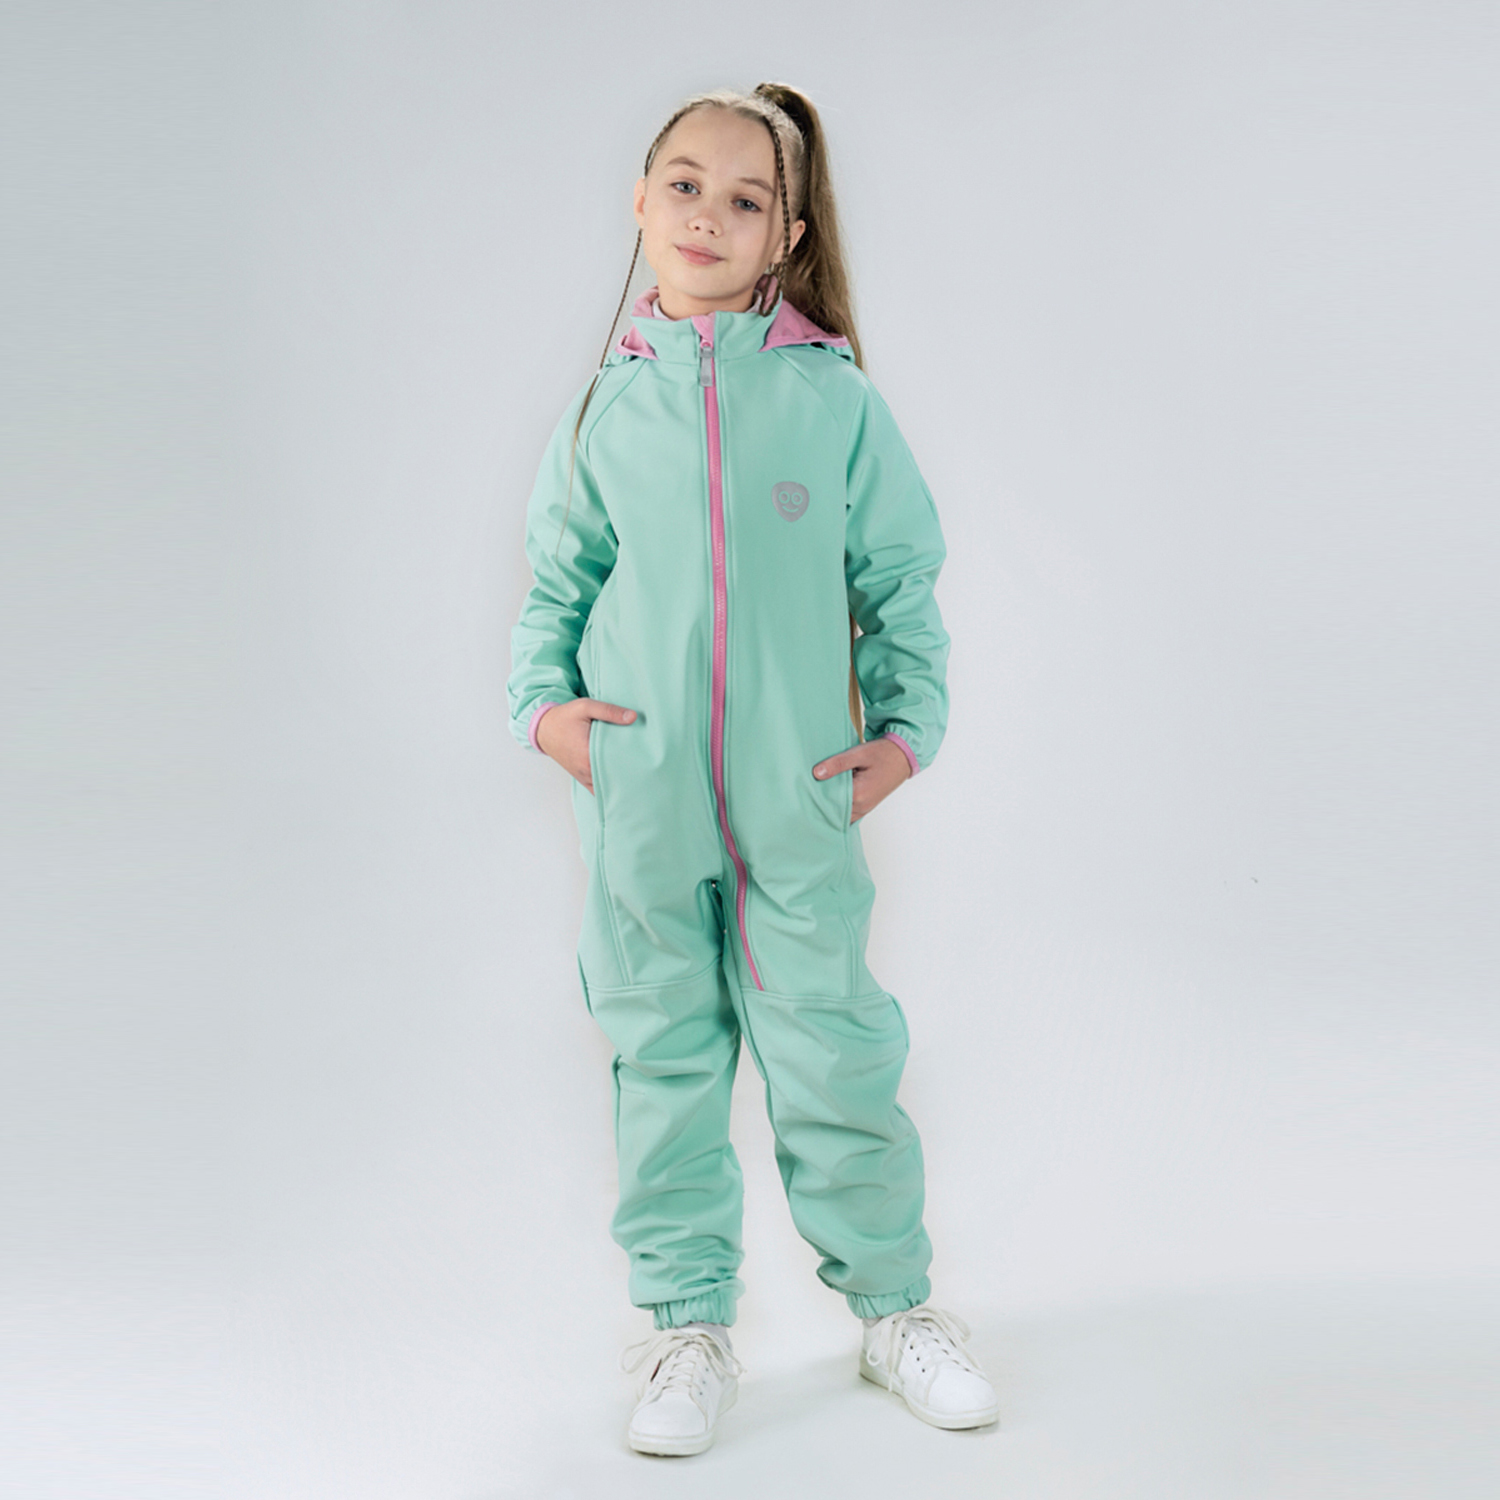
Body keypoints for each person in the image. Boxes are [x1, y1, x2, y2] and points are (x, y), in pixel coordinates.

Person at [506, 81, 998, 1456]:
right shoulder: (606, 410)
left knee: (834, 1049)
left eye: (743, 198)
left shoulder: (832, 399)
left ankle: (895, 1311)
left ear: (787, 234)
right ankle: (685, 1327)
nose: (706, 214)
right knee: (661, 1056)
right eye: (684, 184)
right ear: (640, 202)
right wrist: (548, 716)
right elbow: (554, 584)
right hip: (644, 804)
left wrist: (904, 734)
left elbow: (900, 576)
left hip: (798, 799)